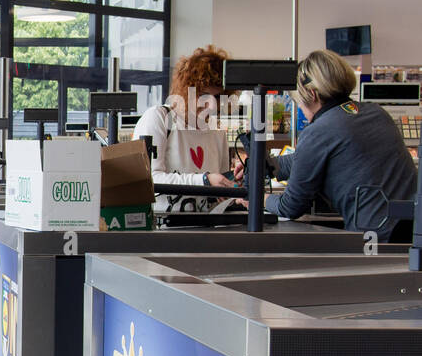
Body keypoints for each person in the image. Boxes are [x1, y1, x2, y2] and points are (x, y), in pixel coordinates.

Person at [262, 48, 418, 239]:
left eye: (299, 103)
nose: (300, 109)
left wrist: (261, 199)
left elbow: (290, 206)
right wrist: (267, 165)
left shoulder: (319, 130)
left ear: (312, 94)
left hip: (376, 240)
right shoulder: (376, 113)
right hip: (412, 231)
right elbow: (308, 158)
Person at [131, 45, 238, 204]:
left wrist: (232, 185)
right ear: (185, 91)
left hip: (207, 226)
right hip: (160, 226)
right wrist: (204, 180)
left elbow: (219, 194)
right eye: (204, 95)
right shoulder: (159, 118)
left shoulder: (216, 129)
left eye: (217, 97)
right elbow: (147, 179)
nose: (212, 105)